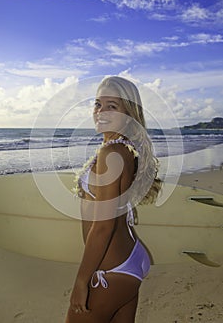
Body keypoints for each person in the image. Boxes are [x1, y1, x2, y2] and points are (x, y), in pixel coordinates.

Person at [65, 76, 161, 323]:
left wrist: (81, 281)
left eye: (112, 106)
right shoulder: (124, 148)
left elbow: (104, 226)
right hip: (129, 260)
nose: (100, 111)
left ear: (129, 113)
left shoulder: (111, 154)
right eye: (98, 103)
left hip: (110, 270)